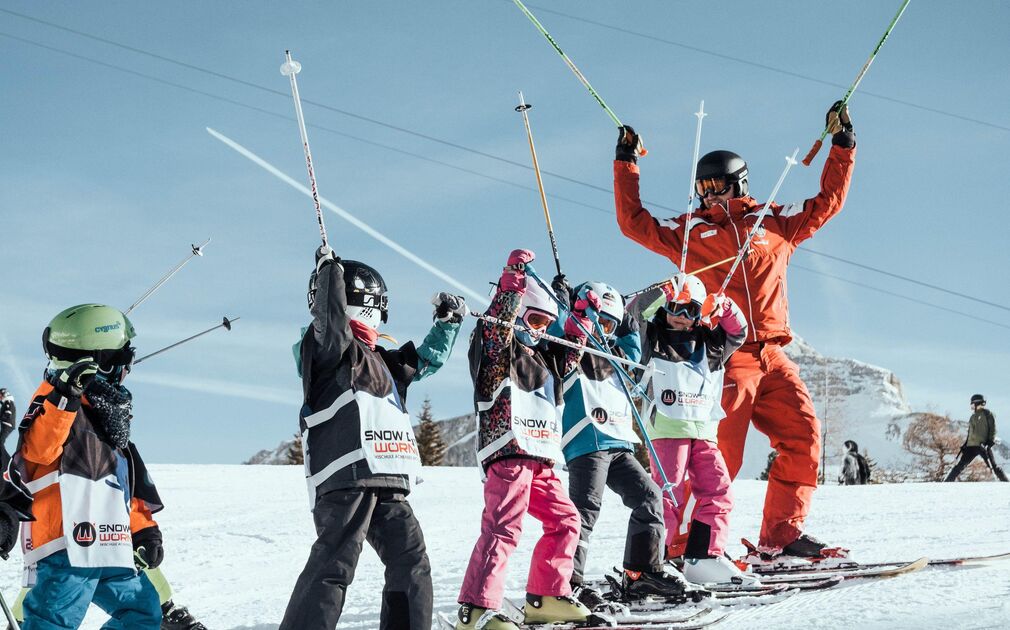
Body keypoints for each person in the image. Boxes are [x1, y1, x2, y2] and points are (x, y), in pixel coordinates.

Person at [612, 101, 857, 560]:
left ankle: (781, 535)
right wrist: (627, 162)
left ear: (739, 183)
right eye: (702, 189)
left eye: (717, 187)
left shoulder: (775, 222)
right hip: (724, 355)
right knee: (717, 455)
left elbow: (827, 202)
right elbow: (634, 222)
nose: (709, 196)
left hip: (773, 354)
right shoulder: (688, 233)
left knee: (804, 437)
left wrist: (842, 144)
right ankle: (684, 547)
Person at [279, 246, 466, 630]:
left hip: (386, 474)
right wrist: (329, 274)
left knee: (411, 561)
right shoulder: (329, 349)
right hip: (346, 475)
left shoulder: (382, 360)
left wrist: (447, 323)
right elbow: (330, 320)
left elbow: (425, 359)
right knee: (335, 564)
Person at [456, 249, 591, 630]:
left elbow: (572, 353)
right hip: (509, 449)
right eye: (533, 320)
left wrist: (579, 317)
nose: (539, 330)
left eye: (546, 324)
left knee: (567, 520)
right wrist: (512, 284)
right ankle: (476, 608)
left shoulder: (545, 358)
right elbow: (497, 327)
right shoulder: (498, 349)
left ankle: (547, 595)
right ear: (517, 315)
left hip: (541, 454)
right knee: (504, 526)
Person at [13, 304, 164, 629]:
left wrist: (143, 530)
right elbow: (38, 451)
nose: (128, 369)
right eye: (124, 360)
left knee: (144, 613)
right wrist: (65, 397)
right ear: (103, 362)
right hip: (69, 543)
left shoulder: (109, 415)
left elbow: (119, 483)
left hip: (111, 541)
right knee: (53, 621)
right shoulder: (53, 398)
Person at [553, 280, 686, 608]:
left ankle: (642, 573)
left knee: (649, 497)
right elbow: (559, 330)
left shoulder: (619, 356)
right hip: (587, 440)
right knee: (585, 510)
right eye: (598, 322)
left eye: (609, 325)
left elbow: (631, 338)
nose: (602, 331)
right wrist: (565, 301)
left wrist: (623, 315)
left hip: (619, 444)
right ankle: (567, 583)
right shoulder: (574, 348)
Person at [637, 273, 756, 586]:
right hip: (667, 427)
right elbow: (634, 312)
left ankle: (704, 557)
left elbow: (739, 331)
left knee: (719, 490)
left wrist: (724, 306)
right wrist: (661, 292)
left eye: (690, 310)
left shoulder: (712, 343)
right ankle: (655, 560)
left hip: (704, 430)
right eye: (675, 308)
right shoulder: (652, 335)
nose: (681, 316)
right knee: (668, 493)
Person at [945, 394, 1005, 482]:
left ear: (978, 403)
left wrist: (990, 441)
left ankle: (1006, 483)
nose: (972, 406)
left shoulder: (988, 414)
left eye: (973, 404)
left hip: (983, 446)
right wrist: (965, 444)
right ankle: (946, 483)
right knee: (959, 466)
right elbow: (970, 433)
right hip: (971, 446)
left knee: (993, 466)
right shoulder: (973, 417)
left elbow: (993, 429)